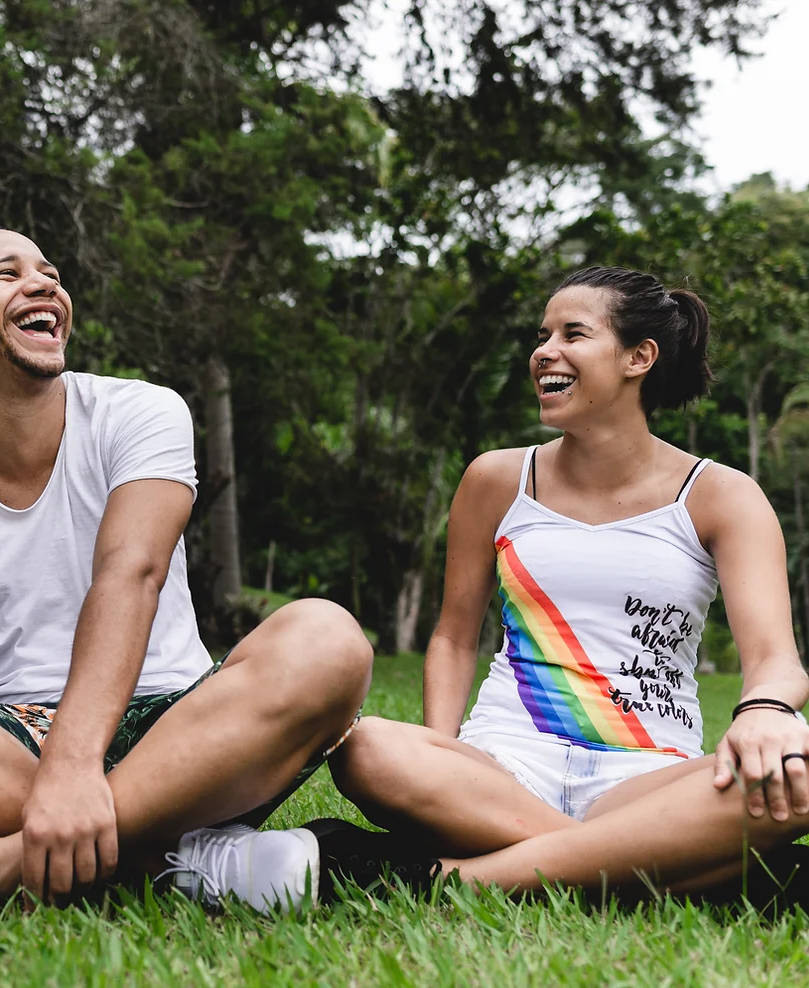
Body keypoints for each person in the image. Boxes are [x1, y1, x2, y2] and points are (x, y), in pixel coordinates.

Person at [0, 227, 423, 913]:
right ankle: (181, 863)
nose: (43, 282)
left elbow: (131, 572)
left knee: (329, 640)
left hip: (180, 733)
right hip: (7, 743)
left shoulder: (140, 412)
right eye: (6, 273)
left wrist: (76, 765)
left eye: (50, 272)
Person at [331, 265, 809, 897]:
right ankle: (654, 863)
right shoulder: (496, 479)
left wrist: (766, 712)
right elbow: (452, 638)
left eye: (572, 333)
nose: (544, 352)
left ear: (640, 357)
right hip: (502, 768)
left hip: (645, 778)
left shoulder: (721, 495)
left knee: (799, 777)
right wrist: (440, 756)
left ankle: (458, 879)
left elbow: (776, 658)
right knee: (364, 748)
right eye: (542, 334)